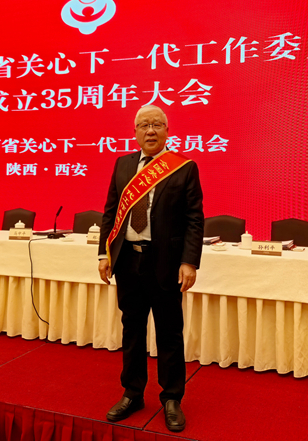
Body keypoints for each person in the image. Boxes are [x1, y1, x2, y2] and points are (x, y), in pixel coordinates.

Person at [98, 104, 204, 432]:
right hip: (128, 261)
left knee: (169, 332)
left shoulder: (184, 168)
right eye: (144, 125)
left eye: (157, 124)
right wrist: (104, 254)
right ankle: (132, 393)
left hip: (166, 263)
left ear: (167, 131)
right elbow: (111, 212)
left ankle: (171, 397)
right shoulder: (122, 164)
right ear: (135, 132)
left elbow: (194, 219)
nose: (150, 130)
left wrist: (189, 261)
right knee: (132, 330)